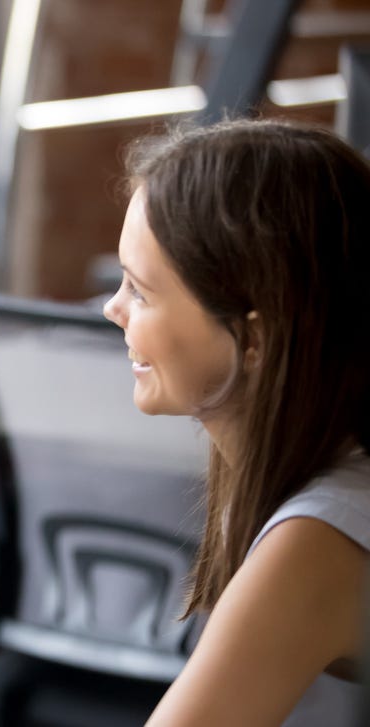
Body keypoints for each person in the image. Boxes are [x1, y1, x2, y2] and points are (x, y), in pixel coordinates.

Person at [103, 118, 370, 725]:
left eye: (140, 291)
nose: (112, 308)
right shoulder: (297, 469)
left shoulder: (318, 537)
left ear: (252, 338)